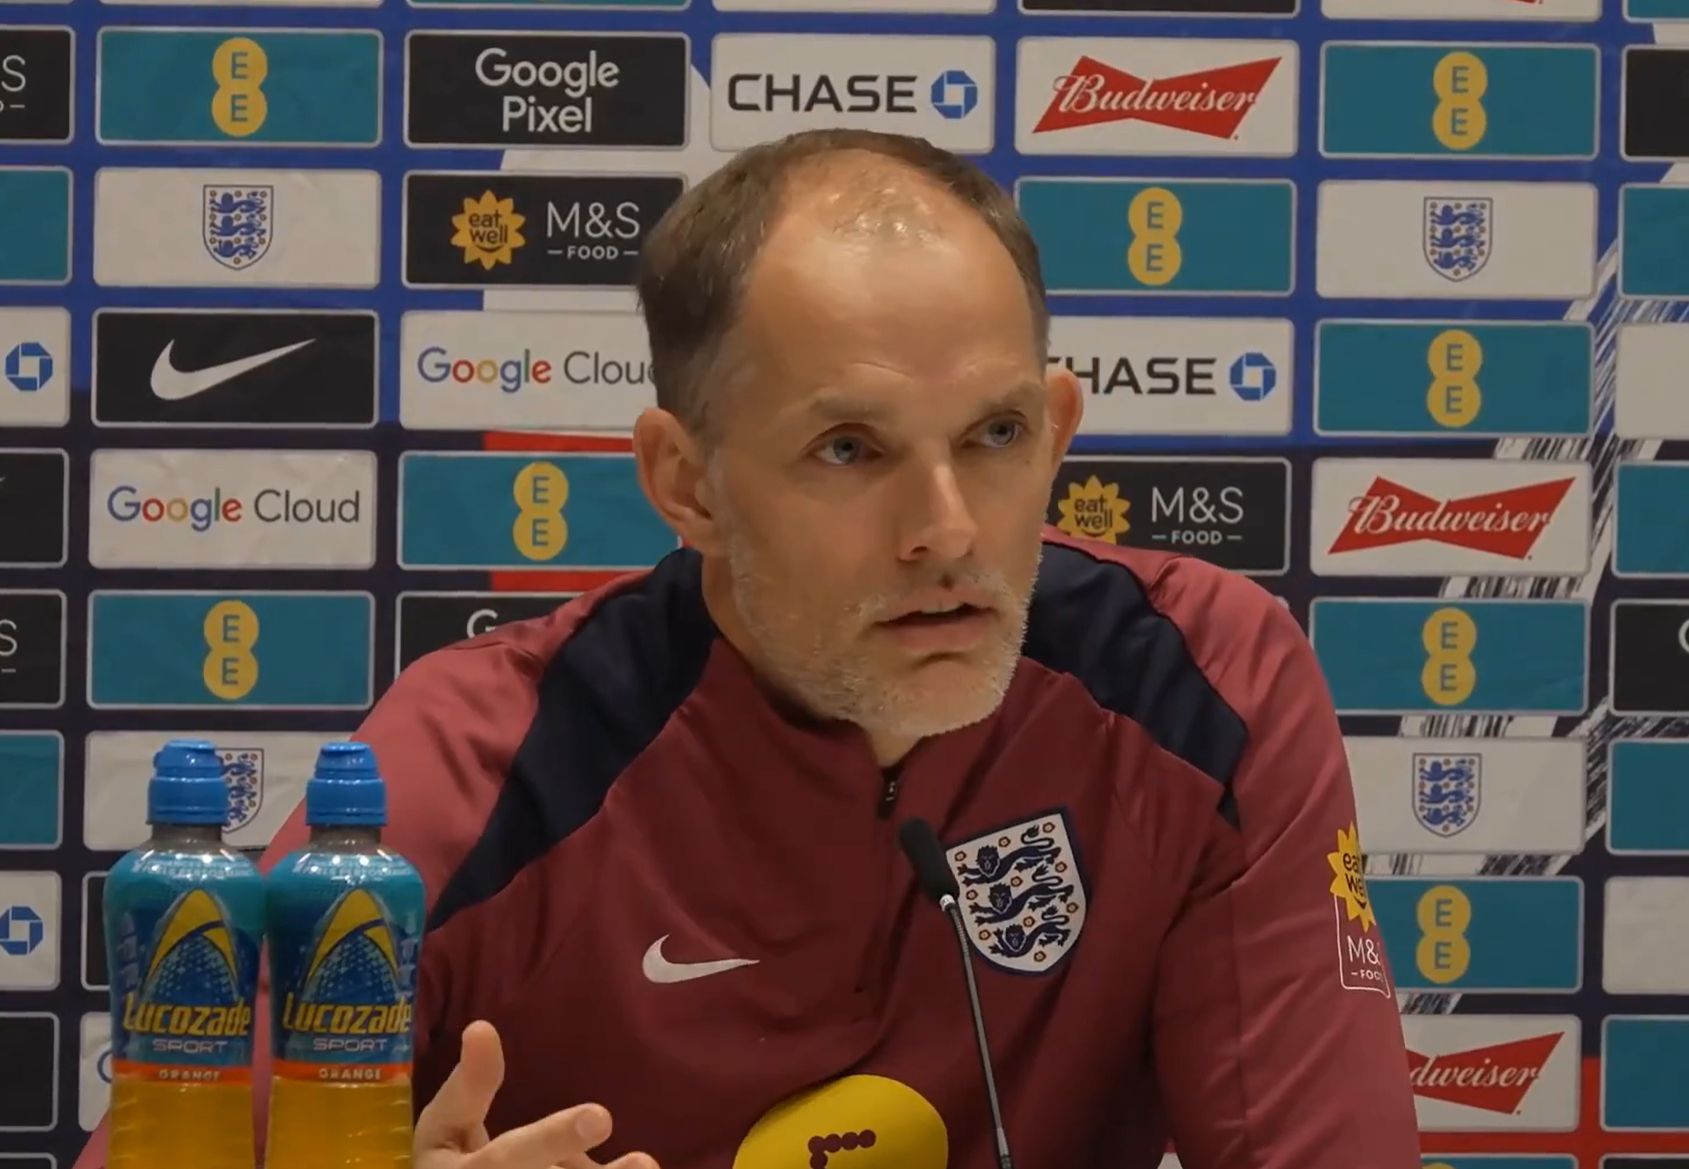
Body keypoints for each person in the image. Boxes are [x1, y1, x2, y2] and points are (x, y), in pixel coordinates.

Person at [76, 128, 1420, 1169]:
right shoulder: (478, 766)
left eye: (996, 436)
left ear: (1060, 428)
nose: (947, 531)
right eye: (850, 449)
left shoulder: (1200, 685)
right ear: (688, 482)